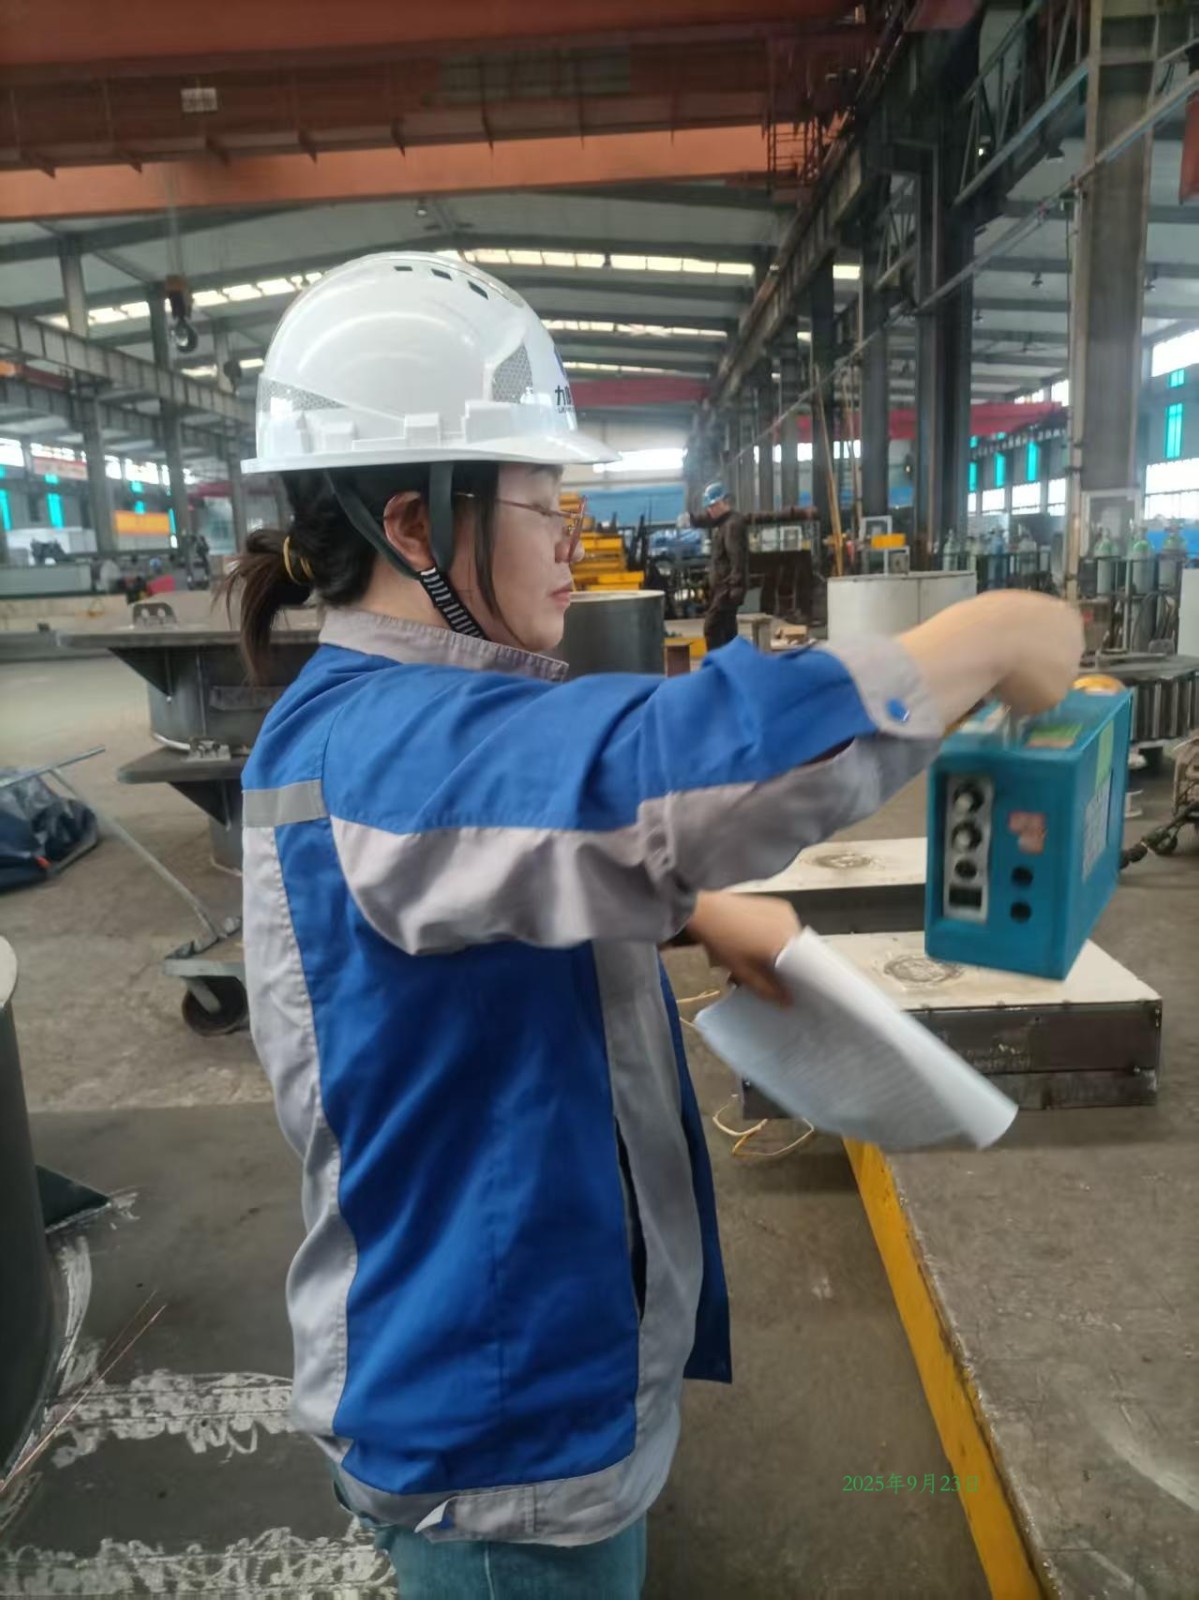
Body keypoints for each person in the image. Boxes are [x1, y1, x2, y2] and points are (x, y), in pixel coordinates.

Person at [227, 251, 1083, 1600]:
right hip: (498, 1438)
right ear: (412, 525)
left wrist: (686, 911)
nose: (572, 541)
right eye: (543, 504)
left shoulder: (386, 722)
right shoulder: (392, 740)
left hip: (511, 1363)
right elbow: (682, 769)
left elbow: (482, 893)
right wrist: (978, 639)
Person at [700, 479, 747, 653]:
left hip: (726, 589)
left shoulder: (732, 525)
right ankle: (731, 664)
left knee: (712, 628)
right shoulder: (724, 524)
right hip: (722, 587)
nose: (709, 510)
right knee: (728, 632)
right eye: (708, 507)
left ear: (723, 502)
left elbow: (737, 558)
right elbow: (721, 559)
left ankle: (718, 665)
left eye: (712, 506)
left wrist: (735, 586)